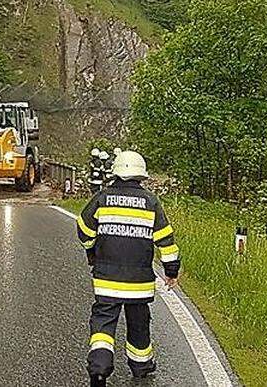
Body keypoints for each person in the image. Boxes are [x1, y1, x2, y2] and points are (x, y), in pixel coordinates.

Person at [75, 149, 180, 386]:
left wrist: (92, 251)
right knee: (139, 322)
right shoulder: (151, 202)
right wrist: (171, 271)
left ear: (115, 173)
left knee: (103, 323)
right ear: (141, 176)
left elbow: (84, 230)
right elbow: (166, 240)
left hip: (106, 280)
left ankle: (99, 369)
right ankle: (141, 367)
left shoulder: (102, 198)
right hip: (139, 282)